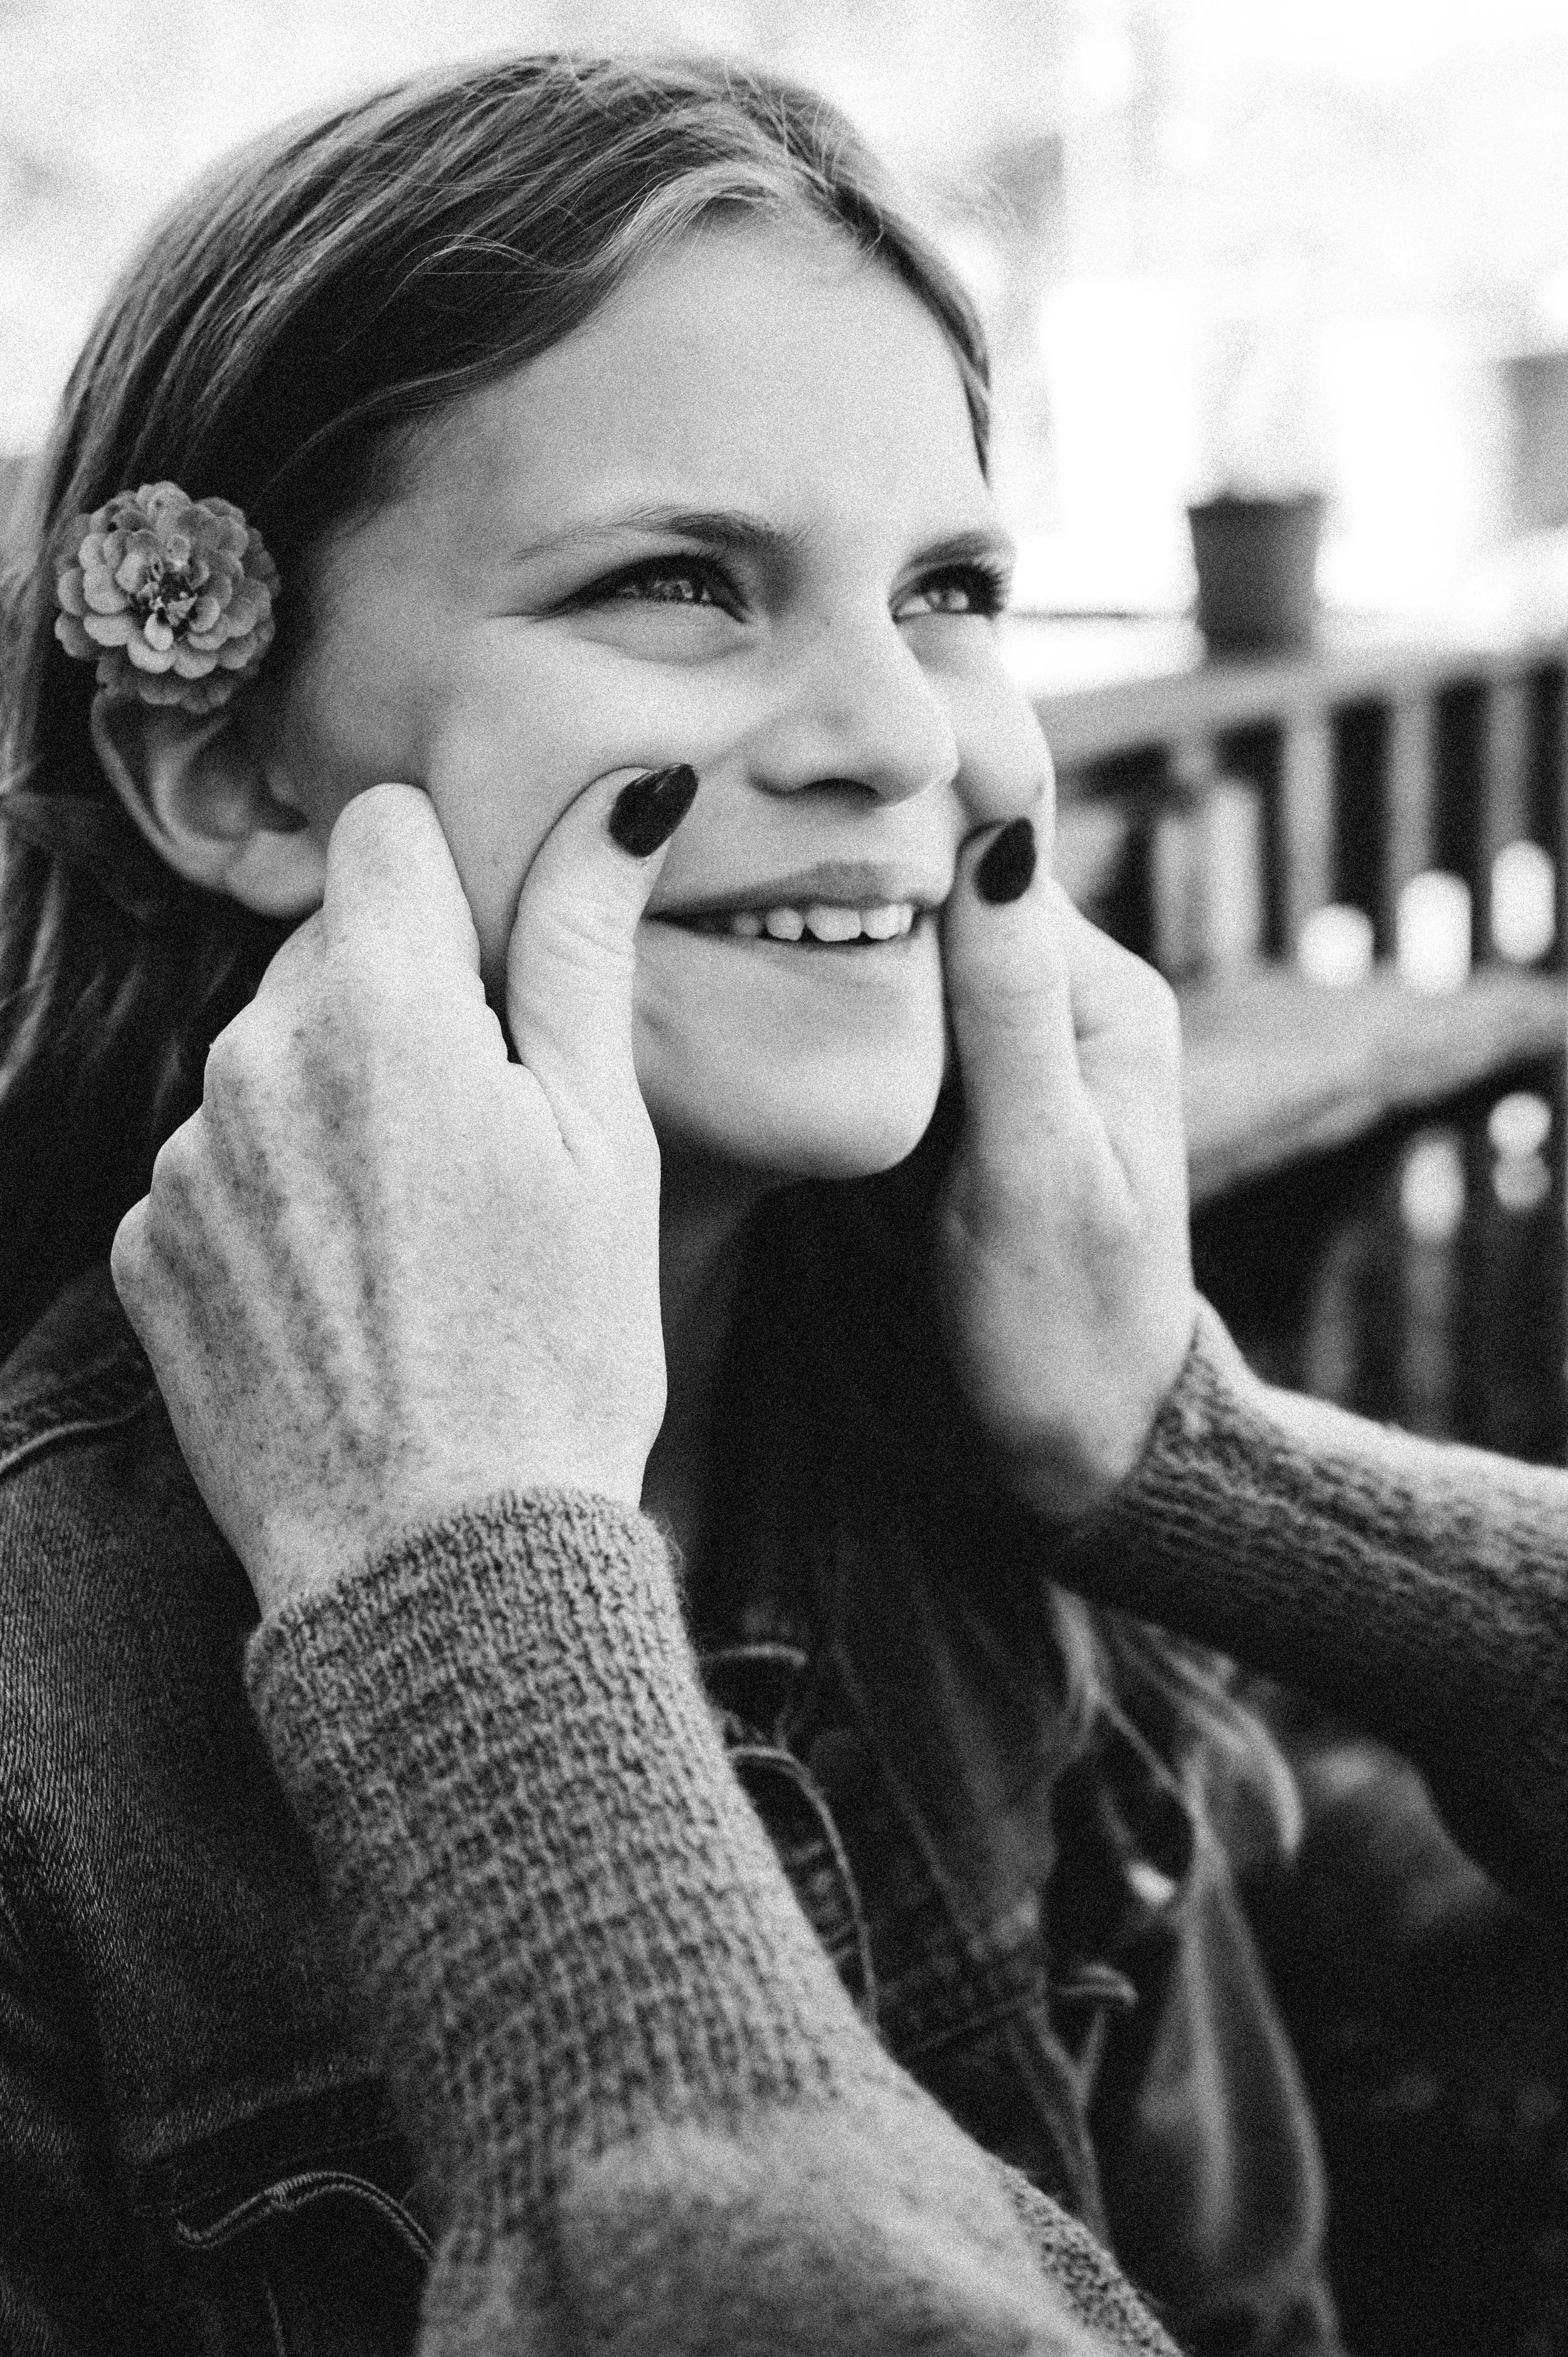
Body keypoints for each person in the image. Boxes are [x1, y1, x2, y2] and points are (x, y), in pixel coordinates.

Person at [2, 49, 1566, 2357]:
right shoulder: (47, 1724)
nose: (896, 737)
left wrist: (1193, 1468)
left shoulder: (983, 1494)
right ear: (225, 765)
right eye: (677, 582)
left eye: (947, 588)